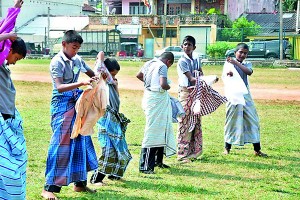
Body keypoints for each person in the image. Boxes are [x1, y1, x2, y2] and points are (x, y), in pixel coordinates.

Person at [41, 30, 99, 200]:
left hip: (77, 103)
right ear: (64, 44)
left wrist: (99, 76)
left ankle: (80, 184)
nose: (76, 51)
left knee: (82, 140)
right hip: (62, 105)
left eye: (78, 48)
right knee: (61, 145)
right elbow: (58, 86)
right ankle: (48, 188)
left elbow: (92, 74)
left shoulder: (77, 60)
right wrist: (81, 83)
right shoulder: (56, 62)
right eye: (74, 47)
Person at [90, 55, 132, 185]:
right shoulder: (100, 81)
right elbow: (100, 62)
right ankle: (96, 179)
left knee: (121, 151)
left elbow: (117, 101)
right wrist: (102, 58)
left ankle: (115, 175)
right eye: (111, 74)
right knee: (108, 150)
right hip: (104, 121)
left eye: (115, 75)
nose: (113, 78)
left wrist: (115, 85)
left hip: (113, 121)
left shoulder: (111, 84)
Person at [222, 43, 267, 157]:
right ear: (235, 52)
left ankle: (257, 149)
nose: (242, 55)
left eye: (245, 53)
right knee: (231, 120)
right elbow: (226, 76)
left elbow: (249, 72)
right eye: (240, 52)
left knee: (253, 120)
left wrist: (236, 63)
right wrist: (230, 72)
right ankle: (227, 147)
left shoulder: (246, 63)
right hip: (233, 95)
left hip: (245, 95)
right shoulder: (228, 64)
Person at [136, 52, 176, 174]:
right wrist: (169, 86)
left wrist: (149, 84)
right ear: (168, 62)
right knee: (152, 132)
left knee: (161, 128)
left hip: (149, 96)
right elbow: (163, 84)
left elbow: (139, 75)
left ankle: (158, 160)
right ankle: (145, 166)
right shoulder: (162, 66)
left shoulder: (149, 62)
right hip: (157, 98)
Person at [0, 36, 27, 200]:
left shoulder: (3, 66)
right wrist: (8, 37)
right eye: (16, 58)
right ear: (9, 50)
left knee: (18, 164)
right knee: (9, 170)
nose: (14, 62)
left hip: (9, 121)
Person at [176, 35, 204, 163]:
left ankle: (194, 151)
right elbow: (192, 78)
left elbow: (200, 72)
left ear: (194, 47)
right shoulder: (182, 61)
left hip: (195, 91)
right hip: (186, 92)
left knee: (196, 121)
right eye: (185, 44)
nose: (187, 47)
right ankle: (182, 154)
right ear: (182, 46)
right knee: (184, 121)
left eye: (189, 45)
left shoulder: (196, 59)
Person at [0, 0, 24, 65]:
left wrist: (16, 7)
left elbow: (8, 22)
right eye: (16, 58)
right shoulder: (3, 46)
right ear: (11, 50)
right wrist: (9, 36)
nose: (14, 63)